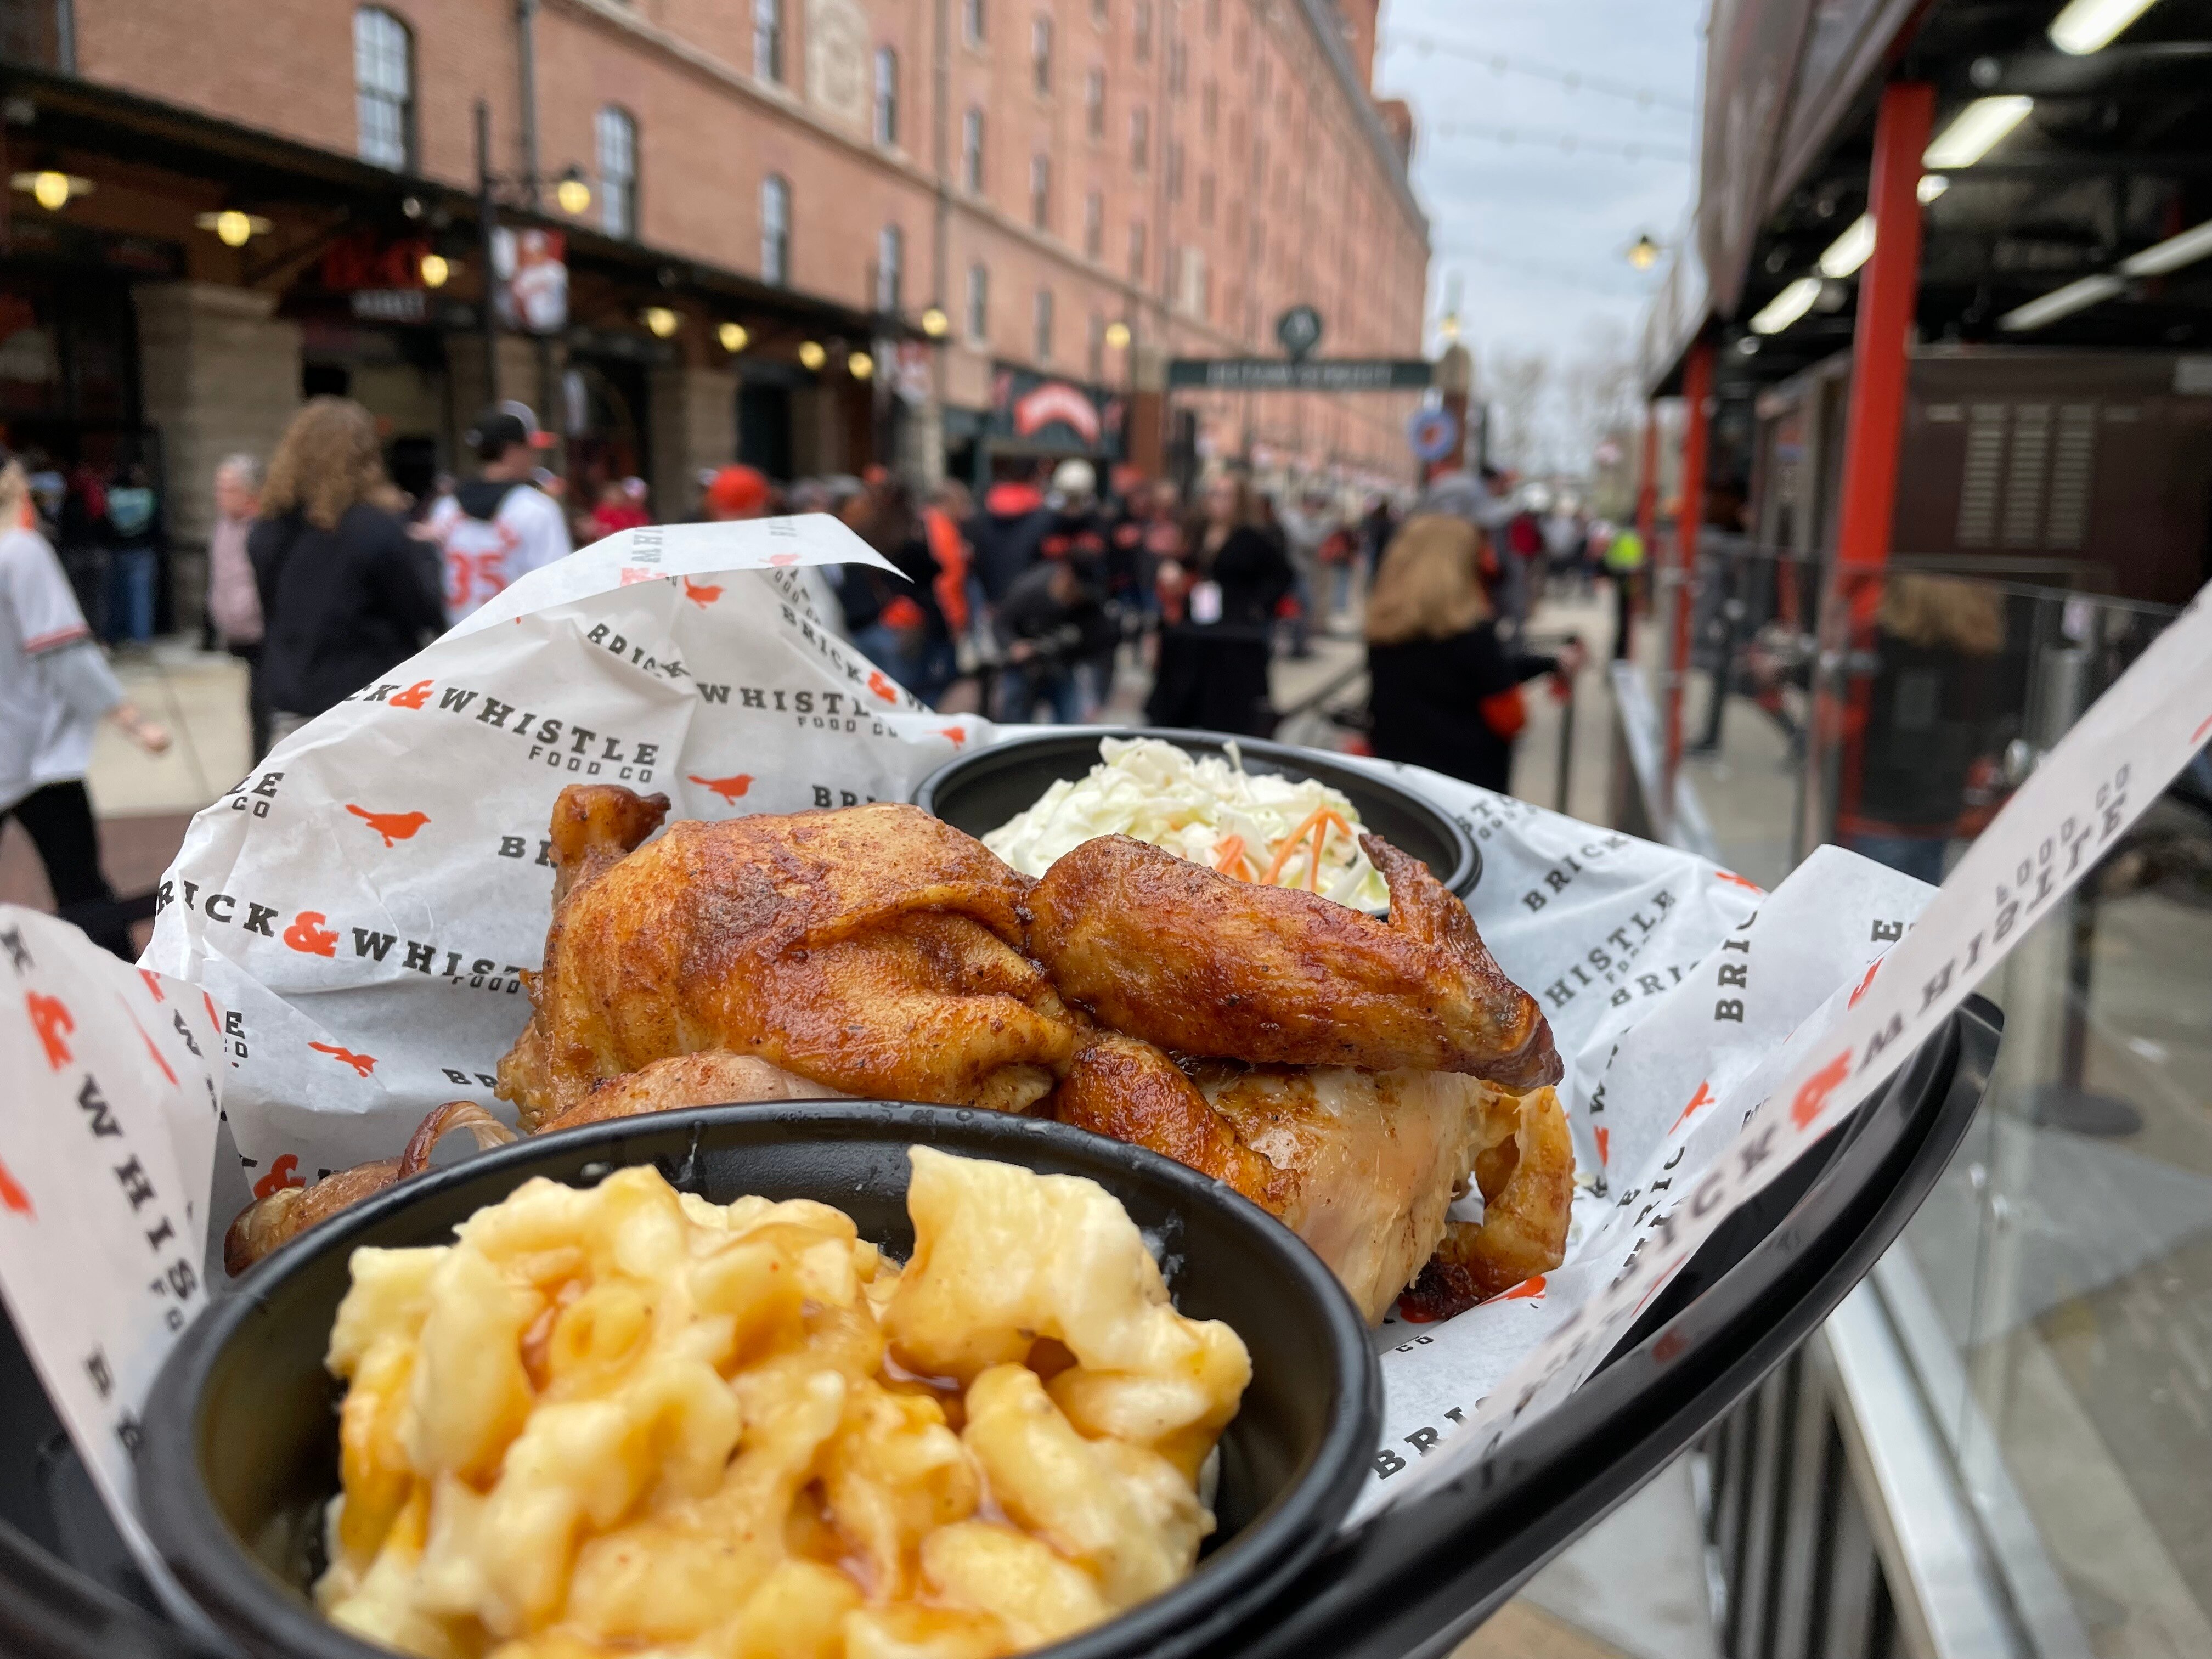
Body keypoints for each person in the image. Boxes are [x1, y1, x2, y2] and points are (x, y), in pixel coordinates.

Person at [0, 451, 172, 958]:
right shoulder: (20, 552)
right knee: (81, 887)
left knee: (79, 881)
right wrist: (130, 719)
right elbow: (61, 652)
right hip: (34, 750)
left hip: (21, 744)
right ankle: (123, 992)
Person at [249, 397, 445, 744]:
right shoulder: (376, 528)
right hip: (368, 708)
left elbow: (271, 612)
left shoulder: (267, 530)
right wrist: (425, 552)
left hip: (292, 703)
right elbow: (421, 611)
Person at [1364, 510, 1583, 795]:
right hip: (1468, 785)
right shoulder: (1471, 632)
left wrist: (1547, 663)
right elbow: (1510, 715)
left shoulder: (1383, 628)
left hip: (1399, 778)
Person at [1842, 574, 2016, 884]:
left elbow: (1904, 745)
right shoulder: (1979, 655)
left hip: (1882, 812)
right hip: (1940, 813)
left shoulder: (1884, 647)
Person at [1144, 472, 1293, 736]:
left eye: (1225, 495)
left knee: (1226, 702)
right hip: (1198, 627)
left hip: (1233, 635)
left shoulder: (1252, 537)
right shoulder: (1201, 532)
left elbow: (1281, 575)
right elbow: (1192, 565)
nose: (1217, 501)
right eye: (1213, 493)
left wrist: (1257, 607)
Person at [426, 402, 573, 623]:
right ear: (512, 451)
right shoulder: (537, 509)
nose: (533, 457)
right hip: (519, 647)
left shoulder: (445, 508)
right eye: (529, 448)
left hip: (456, 647)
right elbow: (559, 590)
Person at [840, 475, 953, 706]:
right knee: (907, 699)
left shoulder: (864, 532)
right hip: (890, 629)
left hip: (887, 628)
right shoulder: (881, 535)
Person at [205, 453, 271, 759]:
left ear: (251, 493)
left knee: (265, 706)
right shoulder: (222, 528)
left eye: (228, 489)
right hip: (238, 632)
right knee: (254, 705)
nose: (220, 496)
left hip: (266, 632)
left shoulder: (265, 529)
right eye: (218, 488)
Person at [994, 553, 1109, 724]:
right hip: (1025, 668)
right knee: (1014, 724)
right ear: (1068, 575)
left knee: (1070, 726)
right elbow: (1001, 624)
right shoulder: (1029, 590)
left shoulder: (1090, 603)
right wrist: (1013, 645)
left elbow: (1099, 644)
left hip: (1063, 666)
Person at [99, 460, 166, 651]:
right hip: (143, 550)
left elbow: (105, 524)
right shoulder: (148, 497)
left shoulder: (112, 498)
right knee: (142, 598)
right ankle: (140, 639)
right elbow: (157, 525)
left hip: (117, 550)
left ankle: (116, 635)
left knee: (116, 596)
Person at [1274, 486, 1335, 658]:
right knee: (1298, 609)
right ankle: (1296, 647)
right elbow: (1308, 541)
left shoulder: (1306, 520)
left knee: (1300, 610)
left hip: (1302, 572)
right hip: (1292, 572)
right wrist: (1325, 527)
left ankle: (1298, 645)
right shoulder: (1292, 519)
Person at [1602, 521, 1646, 661]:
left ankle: (1620, 651)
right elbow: (1641, 559)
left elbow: (1609, 558)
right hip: (1630, 579)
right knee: (1626, 619)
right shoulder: (1636, 538)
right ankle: (1623, 652)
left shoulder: (1619, 536)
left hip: (1621, 578)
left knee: (1622, 618)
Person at [589, 476, 651, 540]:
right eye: (613, 495)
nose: (617, 498)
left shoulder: (630, 511)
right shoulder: (602, 511)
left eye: (619, 494)